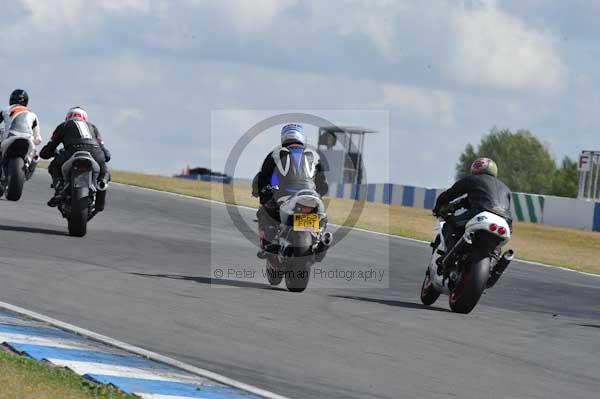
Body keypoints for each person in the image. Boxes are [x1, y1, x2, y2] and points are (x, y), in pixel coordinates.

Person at [253, 123, 328, 255]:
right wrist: (319, 194)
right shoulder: (314, 156)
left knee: (263, 211)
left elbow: (263, 178)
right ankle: (320, 239)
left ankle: (268, 243)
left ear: (284, 137)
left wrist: (260, 191)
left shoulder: (275, 154)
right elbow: (323, 184)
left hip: (284, 198)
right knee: (322, 218)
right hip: (311, 198)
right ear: (302, 138)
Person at [433, 157, 512, 252]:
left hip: (480, 212)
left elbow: (450, 194)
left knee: (449, 225)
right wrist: (456, 205)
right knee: (497, 247)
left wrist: (438, 207)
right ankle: (496, 258)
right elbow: (469, 201)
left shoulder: (472, 179)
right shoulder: (506, 188)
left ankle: (448, 254)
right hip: (505, 221)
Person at [39, 107, 111, 207]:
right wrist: (105, 158)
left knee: (53, 166)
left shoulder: (63, 125)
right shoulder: (93, 127)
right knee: (105, 171)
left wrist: (48, 153)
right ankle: (102, 183)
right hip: (95, 152)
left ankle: (59, 188)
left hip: (72, 151)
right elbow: (107, 155)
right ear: (85, 118)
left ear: (68, 117)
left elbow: (49, 148)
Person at [0, 89, 42, 155]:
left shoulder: (5, 110)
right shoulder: (33, 114)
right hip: (28, 140)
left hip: (9, 139)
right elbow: (38, 139)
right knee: (35, 156)